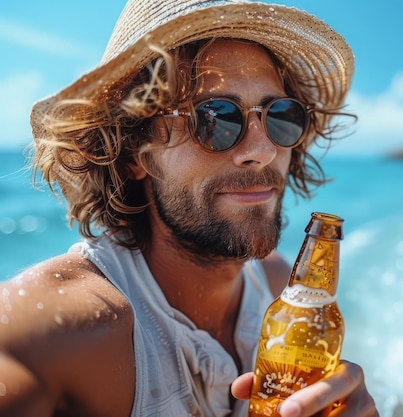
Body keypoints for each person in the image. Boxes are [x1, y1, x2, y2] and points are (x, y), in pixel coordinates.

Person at [0, 0, 379, 416]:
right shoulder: (66, 332)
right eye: (215, 117)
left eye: (280, 116)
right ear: (134, 152)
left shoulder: (276, 288)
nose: (262, 150)